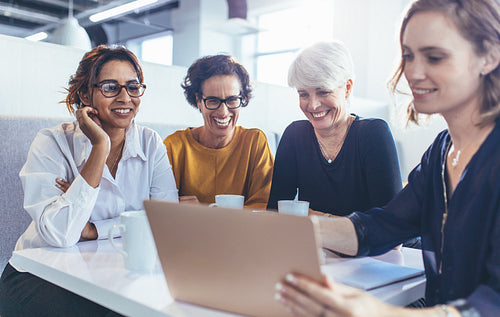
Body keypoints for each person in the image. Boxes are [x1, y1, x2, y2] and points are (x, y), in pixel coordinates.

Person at [275, 0, 500, 316]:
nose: (414, 72)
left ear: (489, 57)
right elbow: (383, 226)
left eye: (434, 57)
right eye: (408, 56)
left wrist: (381, 313)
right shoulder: (441, 152)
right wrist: (288, 231)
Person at [0, 45, 178, 316]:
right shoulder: (52, 143)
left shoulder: (150, 144)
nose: (124, 97)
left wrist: (95, 228)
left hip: (111, 273)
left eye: (133, 87)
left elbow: (165, 223)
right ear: (85, 94)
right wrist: (100, 146)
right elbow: (61, 234)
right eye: (110, 87)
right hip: (38, 275)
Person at [267, 41, 402, 217]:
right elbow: (275, 213)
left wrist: (313, 217)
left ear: (347, 88)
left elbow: (391, 226)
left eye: (323, 92)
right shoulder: (295, 136)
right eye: (303, 94)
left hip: (374, 246)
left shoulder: (373, 134)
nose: (313, 105)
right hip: (318, 242)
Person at [164, 54, 274, 209]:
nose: (223, 112)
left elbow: (265, 206)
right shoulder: (174, 146)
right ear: (198, 101)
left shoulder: (254, 142)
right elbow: (161, 208)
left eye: (232, 100)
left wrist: (207, 213)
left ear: (242, 99)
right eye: (213, 101)